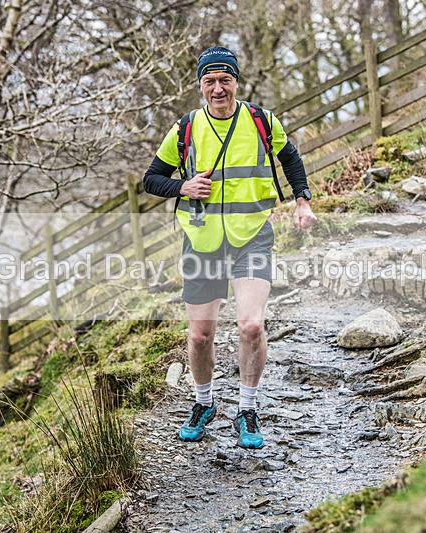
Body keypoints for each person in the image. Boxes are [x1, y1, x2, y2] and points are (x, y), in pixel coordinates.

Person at [143, 46, 316, 449]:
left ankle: (247, 409)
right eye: (210, 81)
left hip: (251, 235)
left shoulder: (260, 120)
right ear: (200, 86)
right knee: (201, 336)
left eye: (225, 80)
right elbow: (151, 179)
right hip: (202, 242)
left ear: (236, 81)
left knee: (251, 326)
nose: (218, 88)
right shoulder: (186, 128)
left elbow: (290, 159)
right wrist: (181, 186)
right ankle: (204, 403)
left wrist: (302, 200)